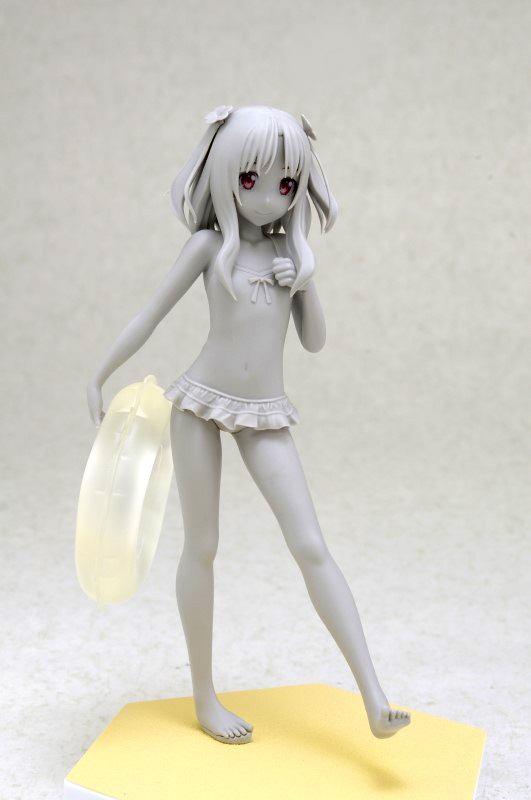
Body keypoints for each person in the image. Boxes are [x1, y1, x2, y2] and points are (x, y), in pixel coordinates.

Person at [87, 105, 411, 745]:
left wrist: (305, 282)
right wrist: (99, 373)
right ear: (224, 176)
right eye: (249, 180)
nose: (267, 198)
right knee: (202, 547)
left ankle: (374, 699)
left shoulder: (293, 253)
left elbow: (314, 342)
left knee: (311, 545)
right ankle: (205, 697)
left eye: (285, 184)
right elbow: (149, 315)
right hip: (199, 406)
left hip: (265, 413)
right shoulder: (209, 246)